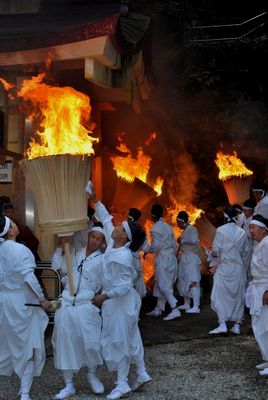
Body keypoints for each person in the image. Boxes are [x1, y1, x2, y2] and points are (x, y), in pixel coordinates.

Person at [88, 184, 151, 400]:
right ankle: (141, 373)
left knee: (120, 340)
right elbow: (105, 219)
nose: (116, 227)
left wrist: (103, 296)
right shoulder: (113, 241)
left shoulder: (124, 256)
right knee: (131, 337)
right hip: (116, 301)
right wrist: (95, 199)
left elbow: (124, 286)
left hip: (121, 301)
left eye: (121, 228)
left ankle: (122, 384)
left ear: (124, 237)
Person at [52, 223, 106, 399]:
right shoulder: (74, 251)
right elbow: (57, 267)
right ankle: (69, 385)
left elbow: (108, 281)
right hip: (67, 303)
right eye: (93, 236)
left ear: (103, 242)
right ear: (88, 236)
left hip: (86, 305)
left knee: (91, 343)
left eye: (99, 238)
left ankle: (91, 374)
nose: (94, 240)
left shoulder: (103, 259)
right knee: (65, 344)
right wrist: (61, 246)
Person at [0, 215, 51, 400]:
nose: (16, 224)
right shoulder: (21, 250)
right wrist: (42, 299)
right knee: (27, 345)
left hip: (3, 301)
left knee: (8, 343)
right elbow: (30, 280)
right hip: (21, 302)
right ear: (10, 231)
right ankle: (25, 393)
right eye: (13, 223)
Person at [209, 205, 251, 335]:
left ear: (225, 217)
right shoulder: (242, 232)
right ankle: (237, 325)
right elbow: (246, 254)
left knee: (220, 295)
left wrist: (212, 254)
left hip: (225, 268)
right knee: (237, 297)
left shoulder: (220, 230)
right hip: (238, 269)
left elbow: (215, 251)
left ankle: (222, 323)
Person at [145, 204, 180, 321]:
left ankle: (175, 309)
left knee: (163, 284)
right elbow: (175, 245)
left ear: (152, 215)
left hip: (163, 259)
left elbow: (156, 246)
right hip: (171, 259)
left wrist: (146, 250)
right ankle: (158, 309)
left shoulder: (155, 228)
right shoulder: (168, 227)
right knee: (164, 283)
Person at [245, 214, 268, 376]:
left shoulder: (267, 244)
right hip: (257, 287)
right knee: (259, 325)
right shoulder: (259, 244)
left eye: (253, 228)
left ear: (264, 229)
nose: (251, 231)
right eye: (250, 228)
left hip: (265, 288)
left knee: (266, 325)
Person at [176, 211, 202, 314]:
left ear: (182, 221)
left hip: (191, 258)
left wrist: (182, 240)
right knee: (183, 280)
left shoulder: (192, 229)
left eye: (178, 222)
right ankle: (187, 303)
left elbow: (195, 240)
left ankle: (196, 306)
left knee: (193, 280)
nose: (177, 224)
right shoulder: (184, 231)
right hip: (184, 258)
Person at [127, 207, 147, 298]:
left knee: (126, 284)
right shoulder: (140, 231)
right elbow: (146, 247)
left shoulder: (123, 228)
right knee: (137, 285)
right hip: (135, 261)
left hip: (124, 260)